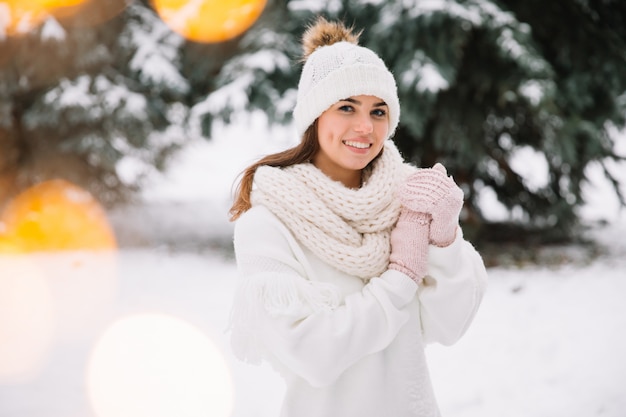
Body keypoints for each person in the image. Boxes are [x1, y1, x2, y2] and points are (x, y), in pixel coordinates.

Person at [228, 17, 488, 417]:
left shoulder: (409, 201)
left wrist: (445, 237)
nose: (365, 127)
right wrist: (399, 279)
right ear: (315, 116)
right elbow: (314, 355)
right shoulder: (268, 225)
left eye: (378, 111)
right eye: (347, 107)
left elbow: (449, 325)